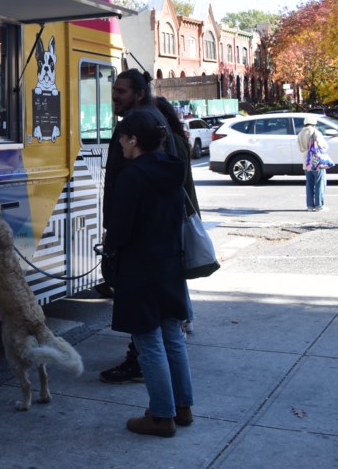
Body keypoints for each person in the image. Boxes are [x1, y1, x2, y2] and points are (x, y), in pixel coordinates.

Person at [107, 108, 193, 437]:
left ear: (133, 140)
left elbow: (122, 227)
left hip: (140, 266)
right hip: (170, 262)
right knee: (172, 337)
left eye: (123, 140)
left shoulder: (133, 176)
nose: (121, 147)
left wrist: (110, 242)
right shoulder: (173, 168)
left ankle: (161, 415)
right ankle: (182, 407)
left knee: (148, 341)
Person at [99, 69, 175, 384]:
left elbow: (131, 185)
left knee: (141, 313)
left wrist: (114, 236)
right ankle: (170, 394)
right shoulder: (150, 117)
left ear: (139, 94)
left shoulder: (138, 125)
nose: (115, 96)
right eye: (114, 90)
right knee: (162, 321)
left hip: (138, 237)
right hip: (153, 236)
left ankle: (140, 364)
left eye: (122, 91)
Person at [154, 97, 199, 335]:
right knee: (177, 272)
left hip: (180, 213)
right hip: (185, 210)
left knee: (176, 273)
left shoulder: (172, 143)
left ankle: (185, 317)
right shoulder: (179, 140)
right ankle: (186, 316)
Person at [297, 116, 328, 211]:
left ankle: (310, 206)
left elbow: (301, 148)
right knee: (319, 183)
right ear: (314, 123)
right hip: (316, 161)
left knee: (309, 184)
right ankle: (319, 205)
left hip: (306, 161)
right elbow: (323, 146)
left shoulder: (300, 133)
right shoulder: (316, 132)